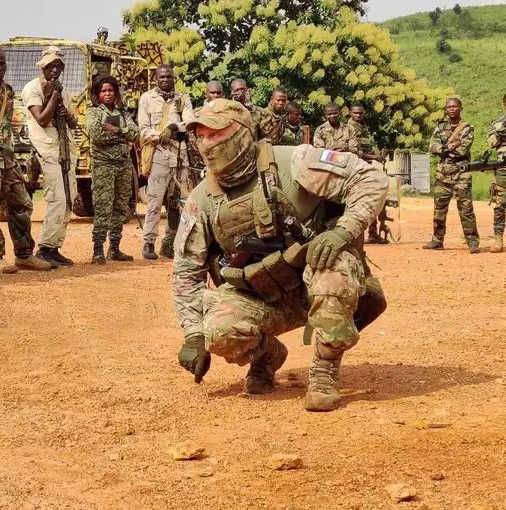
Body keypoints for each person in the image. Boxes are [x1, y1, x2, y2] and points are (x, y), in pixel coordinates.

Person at [173, 99, 388, 412]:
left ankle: (324, 370)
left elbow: (371, 179)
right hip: (261, 296)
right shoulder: (201, 199)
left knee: (335, 268)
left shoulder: (295, 161)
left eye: (216, 134)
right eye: (201, 136)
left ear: (242, 133)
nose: (207, 143)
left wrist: (343, 231)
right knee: (217, 332)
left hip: (315, 281)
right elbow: (186, 270)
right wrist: (194, 334)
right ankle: (268, 355)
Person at [0, 46, 51, 272]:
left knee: (22, 203)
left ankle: (24, 254)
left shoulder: (7, 89)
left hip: (7, 157)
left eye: (2, 64)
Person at [21, 46, 78, 267]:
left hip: (65, 150)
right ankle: (45, 248)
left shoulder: (63, 90)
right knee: (57, 199)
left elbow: (73, 123)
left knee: (69, 199)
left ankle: (54, 247)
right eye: (50, 66)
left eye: (58, 66)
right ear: (42, 67)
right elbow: (42, 120)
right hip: (46, 150)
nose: (54, 70)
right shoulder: (32, 88)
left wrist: (65, 113)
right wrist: (54, 96)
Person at [137, 64, 194, 260]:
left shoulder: (183, 99)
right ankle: (149, 243)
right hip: (159, 155)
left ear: (173, 78)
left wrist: (174, 127)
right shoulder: (146, 99)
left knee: (178, 202)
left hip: (180, 156)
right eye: (161, 77)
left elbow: (190, 123)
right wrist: (163, 135)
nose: (165, 80)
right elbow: (144, 129)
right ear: (156, 79)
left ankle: (170, 243)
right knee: (154, 201)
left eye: (169, 77)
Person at [86, 75, 139, 264]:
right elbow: (96, 135)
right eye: (103, 91)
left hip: (123, 165)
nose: (107, 93)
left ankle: (114, 248)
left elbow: (135, 134)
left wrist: (116, 130)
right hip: (103, 165)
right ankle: (98, 249)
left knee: (120, 206)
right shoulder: (93, 112)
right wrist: (123, 135)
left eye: (110, 90)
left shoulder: (122, 112)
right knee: (103, 206)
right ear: (97, 94)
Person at [423, 97, 479, 253]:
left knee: (466, 210)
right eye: (449, 107)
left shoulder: (467, 128)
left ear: (461, 108)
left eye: (455, 106)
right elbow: (433, 147)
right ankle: (437, 241)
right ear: (446, 110)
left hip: (462, 174)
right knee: (439, 210)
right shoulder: (440, 127)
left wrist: (444, 148)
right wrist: (451, 146)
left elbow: (463, 150)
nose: (452, 109)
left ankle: (473, 243)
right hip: (443, 174)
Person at [348, 103, 389, 244]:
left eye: (361, 113)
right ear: (350, 113)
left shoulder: (363, 127)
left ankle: (373, 233)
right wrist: (374, 157)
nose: (358, 115)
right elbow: (354, 151)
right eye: (355, 113)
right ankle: (356, 236)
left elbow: (369, 145)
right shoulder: (348, 128)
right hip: (355, 169)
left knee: (372, 198)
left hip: (367, 167)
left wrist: (379, 154)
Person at [486, 94, 506, 253]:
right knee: (500, 205)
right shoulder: (497, 124)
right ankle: (498, 240)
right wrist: (501, 132)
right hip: (503, 169)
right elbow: (490, 143)